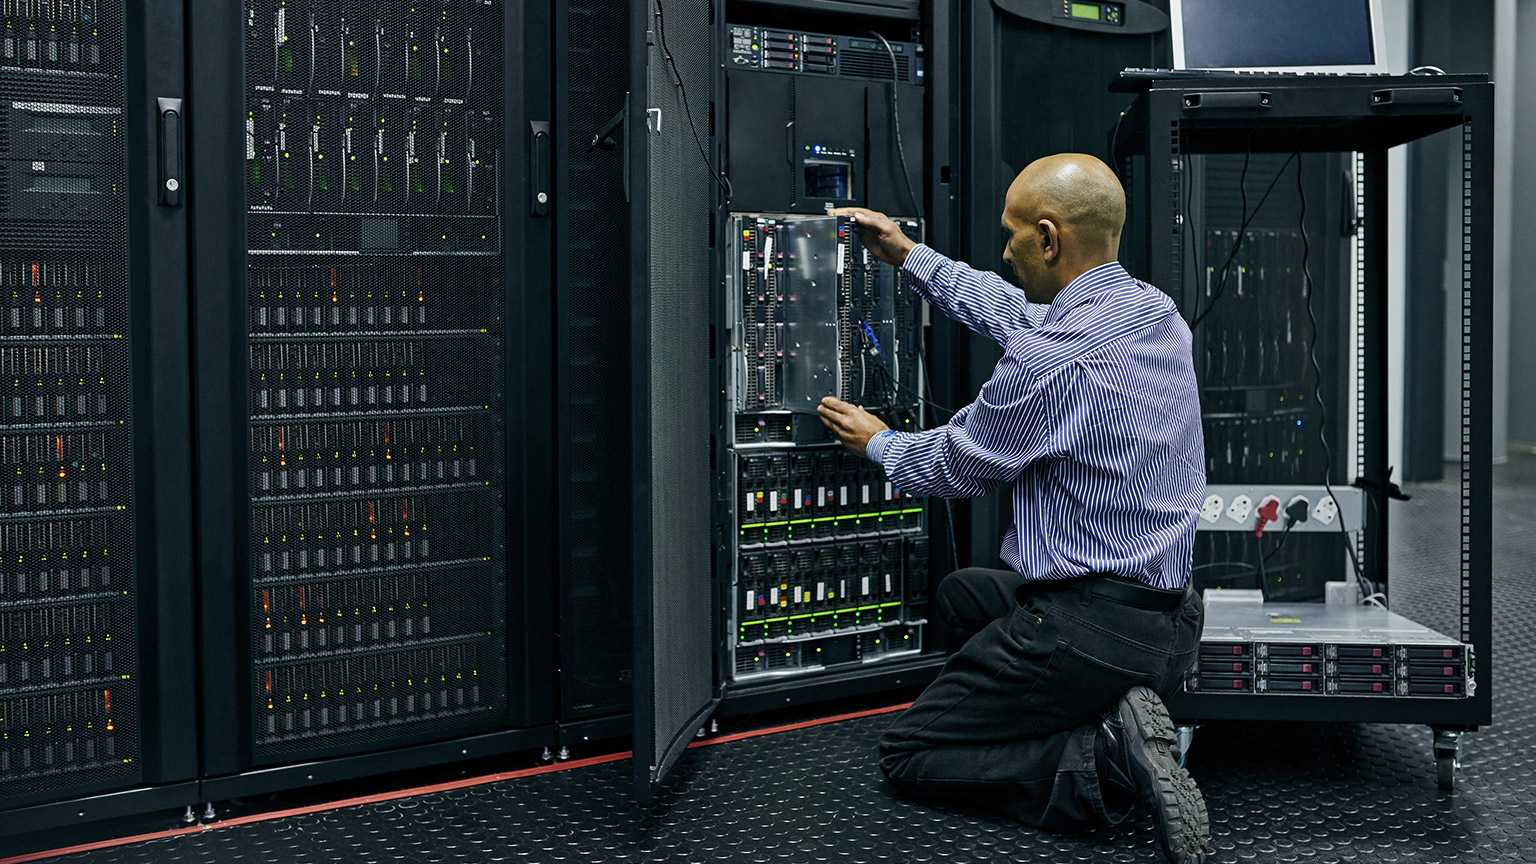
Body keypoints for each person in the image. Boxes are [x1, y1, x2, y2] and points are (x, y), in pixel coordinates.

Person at [818, 153, 1209, 864]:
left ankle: (1104, 764)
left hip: (1091, 630)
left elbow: (952, 465)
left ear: (1050, 237)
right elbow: (1020, 315)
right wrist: (909, 257)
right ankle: (1115, 708)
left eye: (1013, 235)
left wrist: (878, 443)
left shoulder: (1049, 365)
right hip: (1172, 622)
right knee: (966, 594)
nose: (1004, 251)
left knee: (909, 753)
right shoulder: (1154, 312)